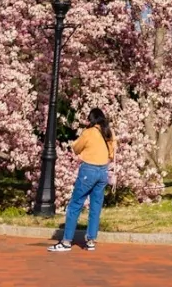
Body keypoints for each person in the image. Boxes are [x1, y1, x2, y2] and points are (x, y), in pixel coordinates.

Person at [49, 108, 115, 253]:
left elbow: (76, 148)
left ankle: (66, 241)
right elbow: (112, 153)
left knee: (75, 205)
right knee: (96, 207)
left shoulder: (89, 132)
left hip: (89, 170)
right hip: (103, 171)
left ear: (91, 119)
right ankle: (91, 240)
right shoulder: (108, 133)